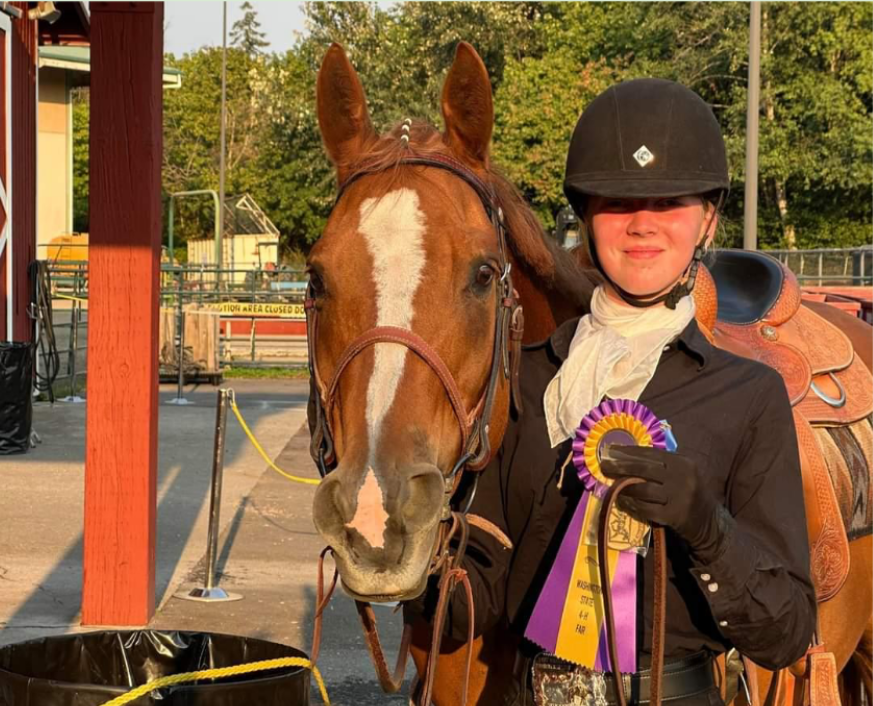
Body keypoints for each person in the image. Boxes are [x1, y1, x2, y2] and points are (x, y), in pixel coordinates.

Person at [406, 78, 816, 706]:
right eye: (618, 202)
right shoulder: (529, 374)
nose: (642, 225)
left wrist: (708, 527)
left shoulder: (749, 395)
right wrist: (413, 560)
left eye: (672, 202)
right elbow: (478, 589)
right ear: (587, 215)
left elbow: (785, 632)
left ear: (707, 219)